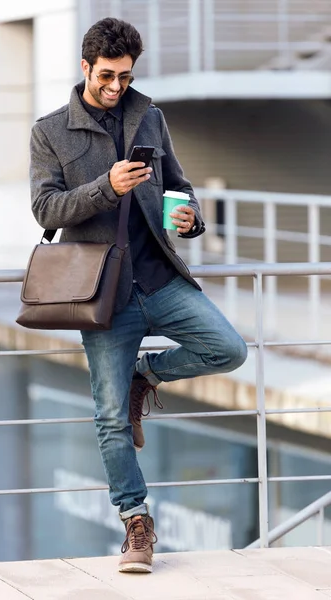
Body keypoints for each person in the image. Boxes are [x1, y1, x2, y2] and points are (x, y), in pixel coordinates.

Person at [30, 17, 247, 574]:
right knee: (108, 416)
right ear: (85, 67)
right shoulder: (50, 130)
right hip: (103, 294)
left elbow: (181, 184)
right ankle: (136, 524)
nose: (116, 87)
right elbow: (46, 209)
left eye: (125, 77)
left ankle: (144, 376)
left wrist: (191, 216)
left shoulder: (149, 115)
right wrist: (107, 188)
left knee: (229, 349)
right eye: (107, 76)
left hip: (161, 277)